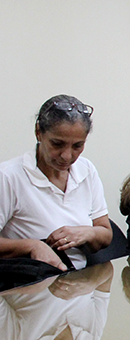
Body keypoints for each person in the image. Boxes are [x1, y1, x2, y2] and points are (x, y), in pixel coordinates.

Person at [0, 95, 112, 271]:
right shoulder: (8, 177)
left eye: (77, 146)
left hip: (80, 282)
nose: (67, 156)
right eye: (57, 144)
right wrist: (32, 246)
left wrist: (87, 233)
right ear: (39, 132)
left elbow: (105, 232)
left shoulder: (86, 170)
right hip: (34, 286)